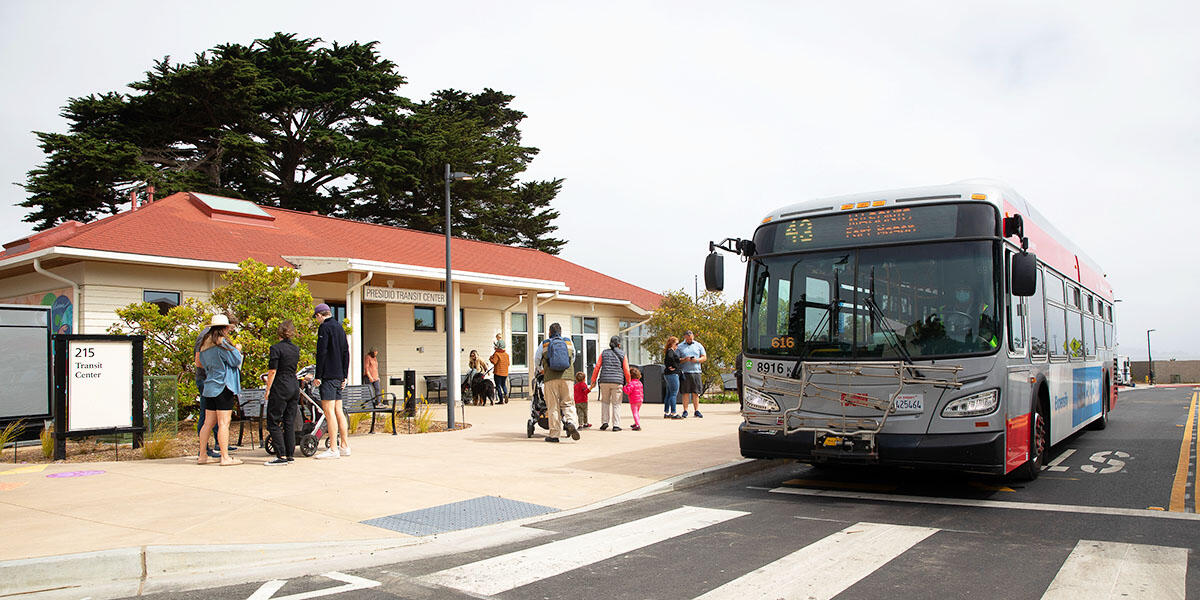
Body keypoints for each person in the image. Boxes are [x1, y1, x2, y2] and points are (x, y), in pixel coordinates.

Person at [195, 314, 243, 466]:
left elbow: (201, 362)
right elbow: (236, 360)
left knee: (207, 423)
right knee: (224, 423)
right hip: (223, 386)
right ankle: (225, 457)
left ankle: (202, 455)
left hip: (209, 386)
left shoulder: (205, 345)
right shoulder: (221, 344)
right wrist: (237, 349)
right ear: (224, 328)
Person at [313, 303, 351, 459]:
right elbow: (345, 352)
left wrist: (318, 376)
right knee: (339, 411)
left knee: (329, 412)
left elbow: (321, 353)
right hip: (338, 376)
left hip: (328, 375)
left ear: (319, 315)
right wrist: (344, 375)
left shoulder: (324, 328)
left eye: (316, 318)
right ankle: (344, 446)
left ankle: (333, 449)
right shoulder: (339, 327)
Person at [263, 320, 300, 466]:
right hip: (293, 384)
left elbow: (272, 371)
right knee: (289, 421)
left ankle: (281, 455)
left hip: (281, 386)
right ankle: (290, 454)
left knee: (273, 420)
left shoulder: (276, 348)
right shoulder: (295, 349)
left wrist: (268, 389)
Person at [539, 322, 580, 443]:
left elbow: (536, 359)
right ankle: (571, 422)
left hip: (550, 378)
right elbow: (573, 358)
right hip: (567, 378)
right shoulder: (568, 342)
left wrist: (541, 370)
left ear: (549, 332)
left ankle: (554, 434)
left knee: (553, 406)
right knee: (568, 403)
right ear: (561, 332)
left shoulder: (545, 343)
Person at [590, 335, 631, 431]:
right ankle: (616, 425)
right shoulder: (622, 354)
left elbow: (597, 367)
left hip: (604, 381)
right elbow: (626, 369)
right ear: (619, 344)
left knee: (605, 402)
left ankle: (605, 422)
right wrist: (628, 381)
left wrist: (593, 380)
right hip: (617, 381)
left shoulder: (604, 353)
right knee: (616, 403)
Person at [677, 330, 706, 418]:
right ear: (685, 337)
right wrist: (685, 359)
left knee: (695, 392)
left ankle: (696, 410)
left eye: (691, 338)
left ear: (693, 336)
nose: (689, 339)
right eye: (688, 338)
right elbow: (677, 360)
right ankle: (685, 410)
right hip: (685, 372)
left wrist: (697, 360)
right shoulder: (680, 346)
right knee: (685, 392)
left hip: (696, 372)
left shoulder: (698, 345)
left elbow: (704, 357)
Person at [663, 336, 681, 419]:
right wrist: (672, 366)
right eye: (676, 344)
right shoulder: (671, 351)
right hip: (672, 374)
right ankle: (673, 413)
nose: (677, 346)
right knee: (674, 393)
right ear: (672, 344)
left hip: (667, 374)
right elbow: (670, 359)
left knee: (669, 393)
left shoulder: (668, 351)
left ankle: (666, 412)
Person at [489, 337, 511, 404]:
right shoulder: (506, 354)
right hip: (505, 373)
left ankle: (501, 400)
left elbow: (494, 362)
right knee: (503, 385)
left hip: (498, 373)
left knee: (498, 386)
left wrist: (490, 358)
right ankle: (506, 394)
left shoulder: (497, 354)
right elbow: (508, 363)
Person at [623, 366, 645, 431]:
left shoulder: (631, 383)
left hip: (634, 400)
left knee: (635, 413)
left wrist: (624, 387)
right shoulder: (639, 383)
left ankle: (638, 425)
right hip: (640, 400)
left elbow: (628, 391)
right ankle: (636, 423)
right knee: (637, 412)